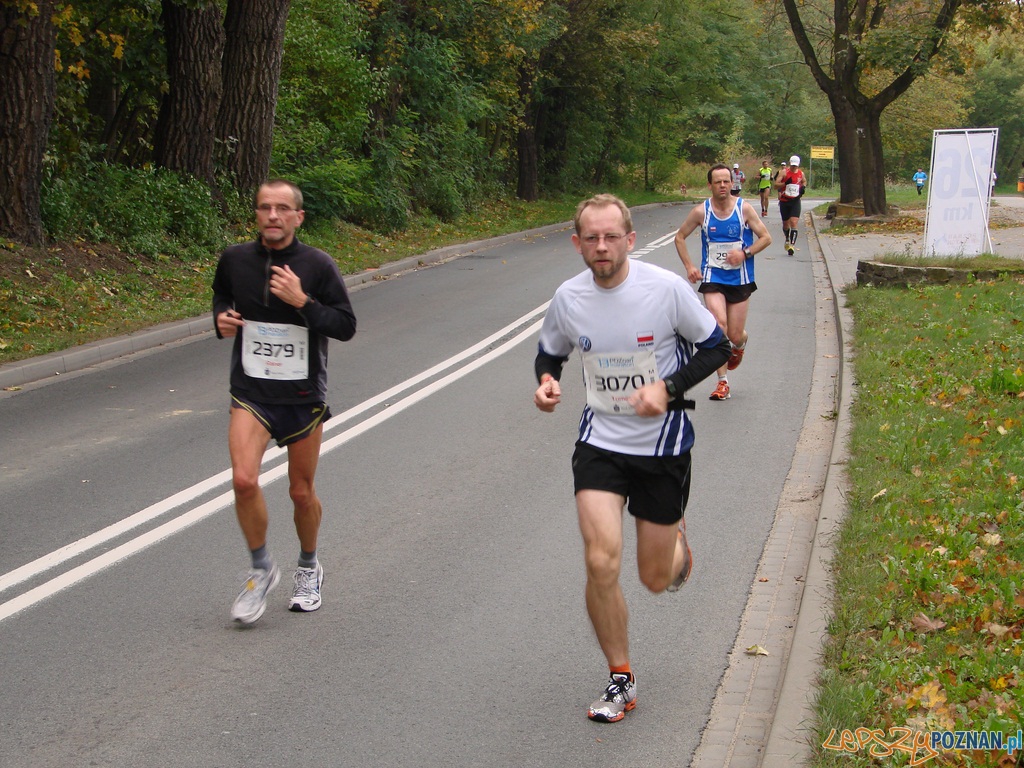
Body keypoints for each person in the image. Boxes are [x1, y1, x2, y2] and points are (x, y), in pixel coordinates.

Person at [533, 194, 731, 723]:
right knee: (600, 561)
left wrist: (667, 388)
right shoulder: (569, 297)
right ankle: (620, 677)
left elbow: (718, 346)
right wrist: (547, 381)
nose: (601, 247)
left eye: (611, 237)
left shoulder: (664, 290)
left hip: (662, 447)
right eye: (591, 238)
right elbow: (550, 349)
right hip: (600, 442)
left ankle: (677, 547)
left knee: (654, 578)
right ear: (577, 243)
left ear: (630, 239)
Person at [212, 179, 357, 625]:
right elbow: (221, 294)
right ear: (256, 214)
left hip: (301, 397)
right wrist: (221, 319)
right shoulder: (235, 258)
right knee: (242, 481)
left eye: (281, 208)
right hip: (252, 391)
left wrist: (303, 302)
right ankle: (260, 570)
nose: (272, 216)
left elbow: (345, 325)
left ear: (298, 217)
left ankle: (309, 566)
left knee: (300, 491)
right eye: (264, 208)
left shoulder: (317, 264)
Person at [674, 164, 772, 401]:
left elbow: (766, 238)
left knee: (735, 335)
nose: (722, 185)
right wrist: (690, 266)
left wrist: (744, 253)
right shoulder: (701, 212)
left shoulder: (744, 209)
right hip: (713, 276)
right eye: (717, 182)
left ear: (732, 183)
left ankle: (741, 343)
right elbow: (679, 237)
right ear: (710, 185)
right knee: (719, 325)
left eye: (726, 181)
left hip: (740, 278)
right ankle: (722, 383)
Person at [775, 155, 807, 256]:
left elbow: (804, 181)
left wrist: (803, 187)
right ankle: (787, 238)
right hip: (785, 201)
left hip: (795, 201)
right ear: (790, 164)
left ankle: (792, 246)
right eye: (792, 166)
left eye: (795, 166)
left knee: (793, 222)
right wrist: (785, 183)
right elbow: (775, 185)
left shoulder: (801, 173)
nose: (794, 168)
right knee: (785, 224)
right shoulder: (783, 172)